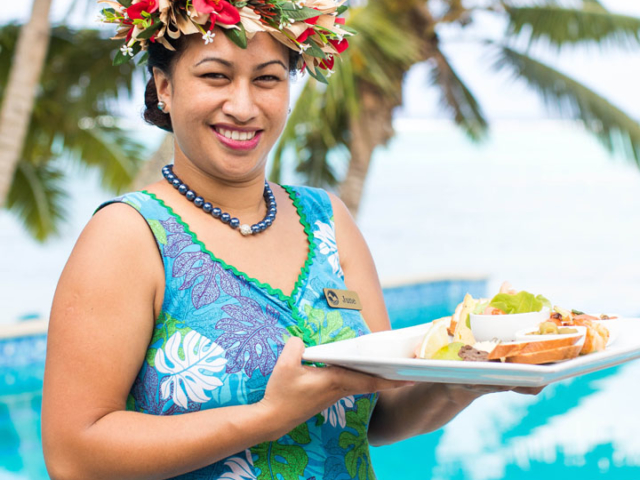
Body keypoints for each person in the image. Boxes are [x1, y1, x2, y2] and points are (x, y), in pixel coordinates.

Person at [41, 1, 539, 479]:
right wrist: (269, 416)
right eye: (215, 75)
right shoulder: (128, 236)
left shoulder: (327, 220)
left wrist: (467, 378)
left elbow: (381, 415)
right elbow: (72, 454)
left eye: (267, 79)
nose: (243, 105)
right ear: (164, 86)